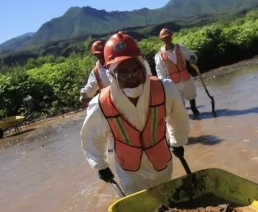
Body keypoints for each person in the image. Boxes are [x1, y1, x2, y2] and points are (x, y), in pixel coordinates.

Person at [81, 32, 190, 195]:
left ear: (142, 65)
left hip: (161, 161)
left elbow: (178, 118)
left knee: (168, 197)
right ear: (112, 73)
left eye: (135, 68)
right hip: (129, 169)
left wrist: (177, 142)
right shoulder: (100, 104)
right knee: (141, 207)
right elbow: (93, 136)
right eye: (123, 71)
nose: (131, 75)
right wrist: (100, 165)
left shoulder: (165, 89)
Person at [154, 28, 200, 117]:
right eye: (164, 38)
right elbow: (160, 70)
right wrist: (162, 82)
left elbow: (190, 54)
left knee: (191, 96)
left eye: (168, 37)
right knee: (180, 103)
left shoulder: (180, 48)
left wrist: (192, 59)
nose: (167, 39)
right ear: (162, 40)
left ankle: (195, 111)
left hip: (185, 77)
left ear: (171, 37)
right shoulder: (159, 55)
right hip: (173, 82)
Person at [79, 40, 111, 108]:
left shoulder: (96, 72)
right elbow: (89, 89)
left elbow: (89, 90)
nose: (102, 55)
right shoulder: (96, 72)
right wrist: (84, 95)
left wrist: (83, 96)